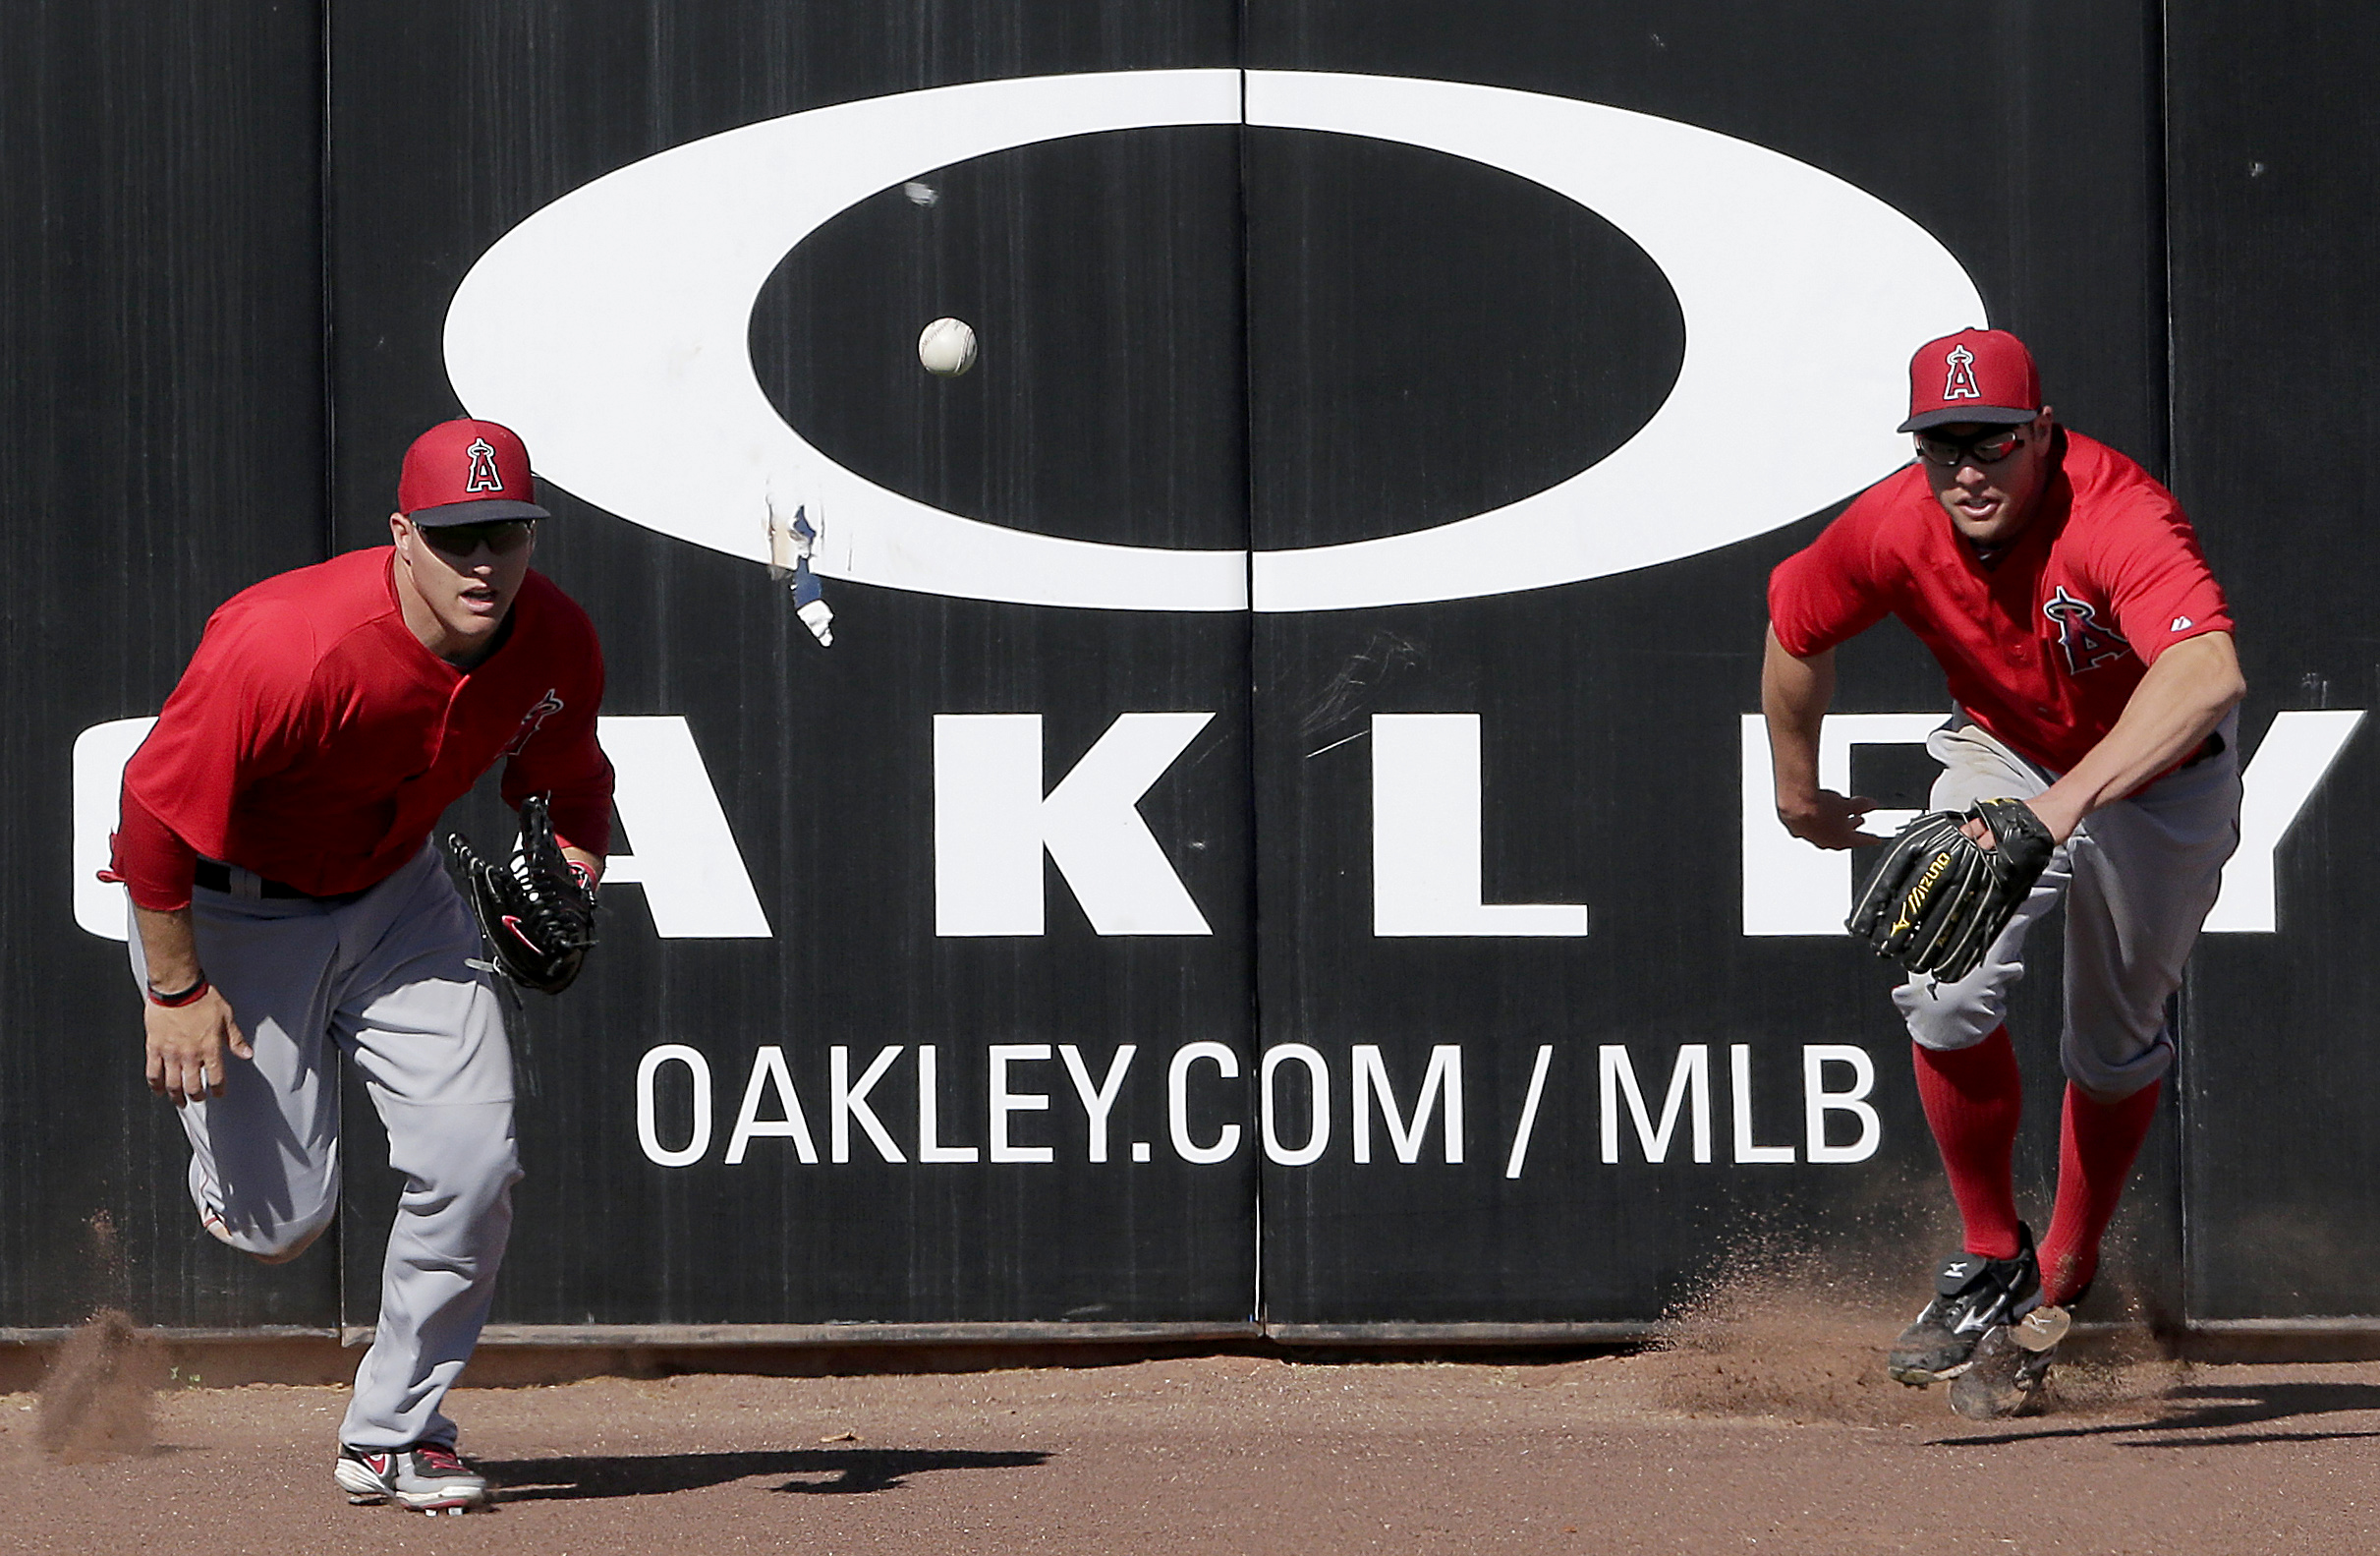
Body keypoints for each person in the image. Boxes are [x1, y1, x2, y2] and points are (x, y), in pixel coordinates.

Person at [108, 418, 613, 1508]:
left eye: (506, 534)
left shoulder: (554, 637)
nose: (484, 561)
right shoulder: (288, 644)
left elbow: (571, 787)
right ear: (402, 534)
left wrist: (576, 870)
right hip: (233, 912)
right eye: (456, 536)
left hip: (399, 900)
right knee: (279, 1225)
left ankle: (395, 1431)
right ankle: (230, 1153)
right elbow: (149, 815)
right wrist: (180, 991)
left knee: (474, 1158)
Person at [1761, 328, 2245, 1418]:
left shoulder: (2116, 513)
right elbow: (1796, 624)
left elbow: (2208, 670)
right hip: (2005, 748)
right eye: (1941, 445)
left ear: (2040, 432)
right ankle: (1990, 1256)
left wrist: (2064, 806)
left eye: (1990, 441)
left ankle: (2059, 1282)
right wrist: (1795, 787)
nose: (1966, 470)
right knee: (1940, 983)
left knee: (2113, 1041)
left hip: (2156, 772)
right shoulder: (1895, 520)